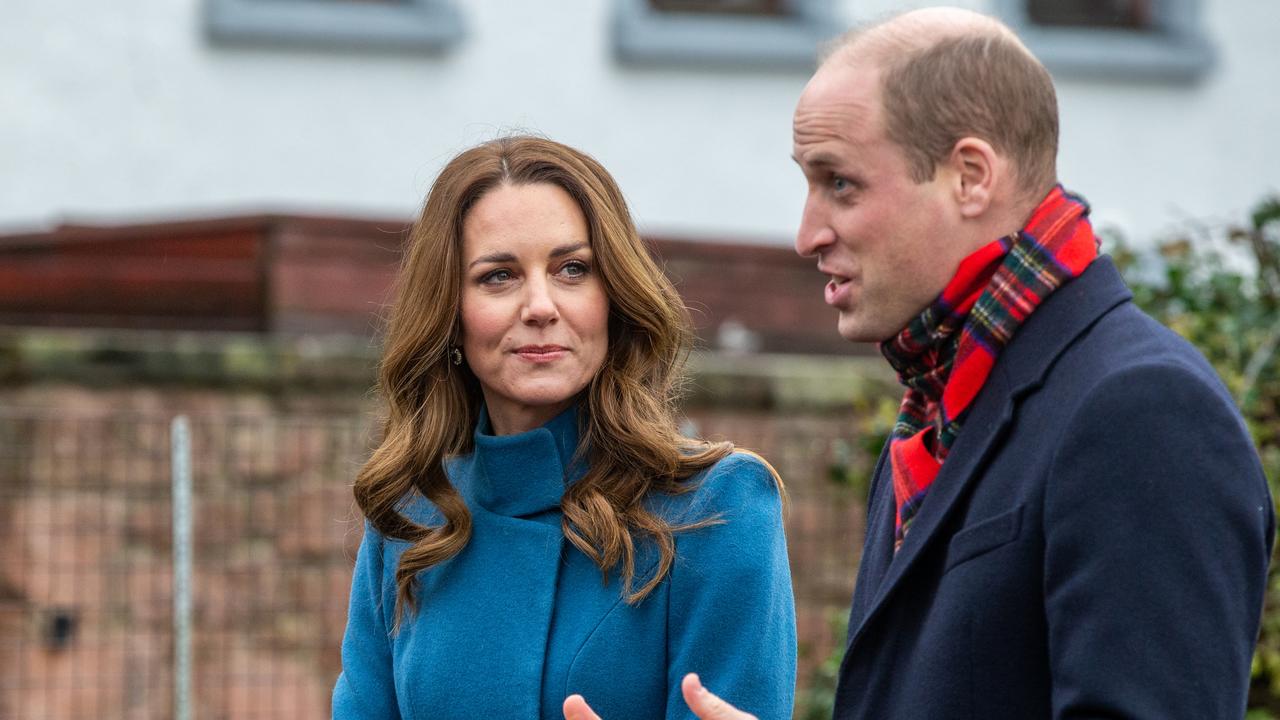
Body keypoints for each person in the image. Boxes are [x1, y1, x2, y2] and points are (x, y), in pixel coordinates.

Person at [564, 7, 1273, 720]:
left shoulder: (1143, 411)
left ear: (970, 177)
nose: (808, 233)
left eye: (839, 182)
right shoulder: (939, 407)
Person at [330, 136, 796, 720]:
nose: (541, 305)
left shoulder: (719, 506)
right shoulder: (412, 518)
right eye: (498, 276)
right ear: (449, 313)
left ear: (614, 298)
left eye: (572, 269)